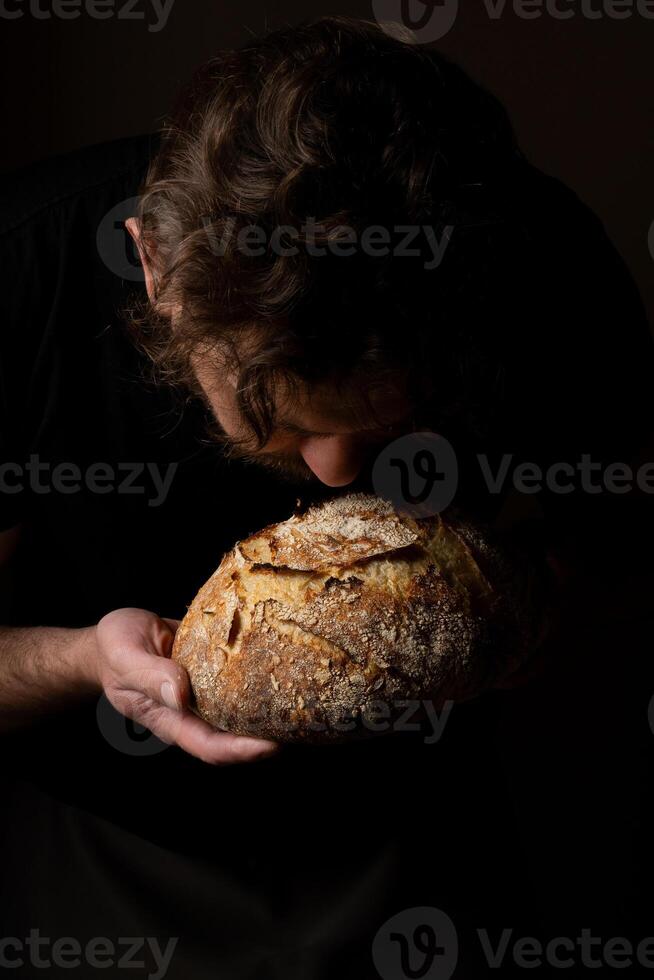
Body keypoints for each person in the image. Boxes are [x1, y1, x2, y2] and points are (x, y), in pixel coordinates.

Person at [1, 16, 652, 979]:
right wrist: (86, 661)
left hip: (420, 838)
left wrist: (515, 615)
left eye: (391, 416)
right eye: (283, 417)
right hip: (97, 854)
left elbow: (607, 557)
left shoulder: (538, 263)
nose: (340, 471)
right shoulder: (25, 268)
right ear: (156, 269)